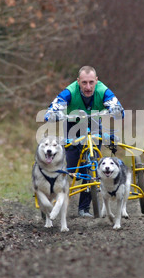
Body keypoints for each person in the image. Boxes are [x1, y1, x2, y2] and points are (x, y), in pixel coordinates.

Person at [45, 66, 124, 217]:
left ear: (96, 81)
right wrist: (52, 113)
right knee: (73, 169)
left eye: (91, 83)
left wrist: (116, 110)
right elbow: (56, 104)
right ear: (78, 82)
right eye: (84, 83)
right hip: (72, 124)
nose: (88, 87)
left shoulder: (103, 90)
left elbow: (115, 104)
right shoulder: (70, 91)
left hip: (94, 123)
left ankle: (84, 208)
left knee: (92, 164)